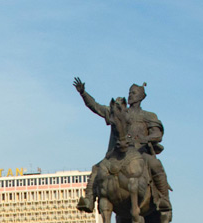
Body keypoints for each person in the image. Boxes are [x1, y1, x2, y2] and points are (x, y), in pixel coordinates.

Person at [73, 77, 171, 213]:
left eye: (134, 93)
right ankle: (89, 199)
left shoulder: (148, 115)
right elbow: (96, 107)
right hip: (118, 152)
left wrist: (143, 139)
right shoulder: (119, 112)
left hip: (140, 153)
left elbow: (157, 134)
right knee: (96, 168)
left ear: (141, 97)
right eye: (130, 93)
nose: (130, 95)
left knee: (155, 165)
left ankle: (163, 198)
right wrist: (83, 93)